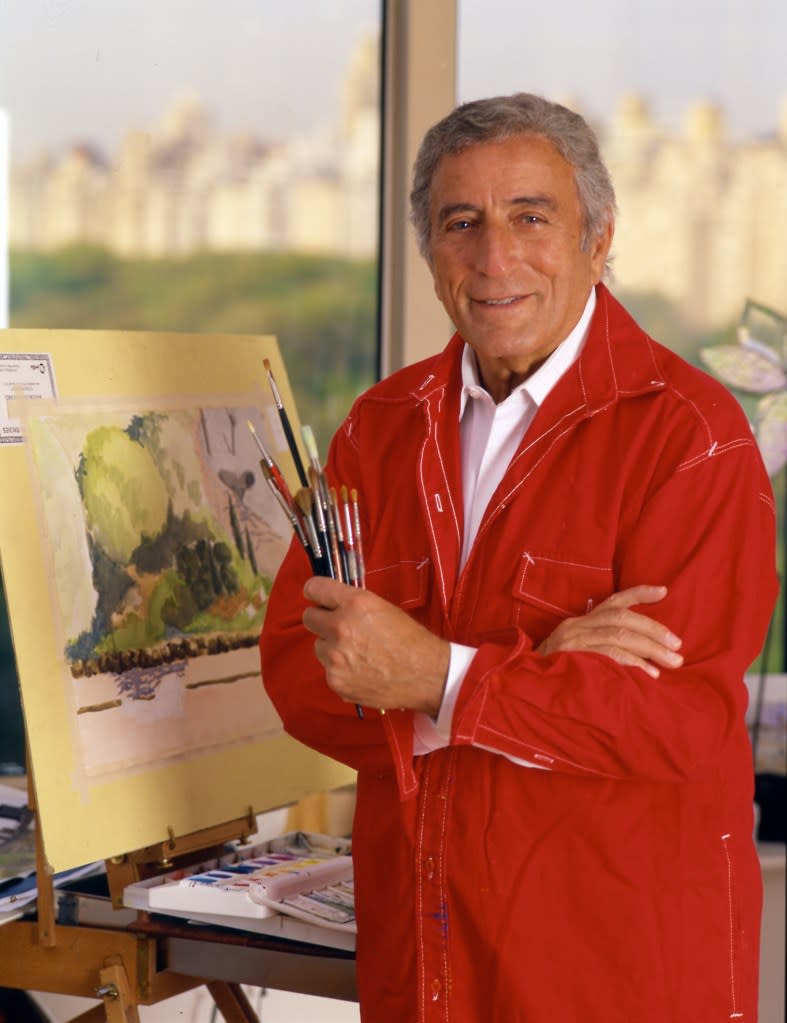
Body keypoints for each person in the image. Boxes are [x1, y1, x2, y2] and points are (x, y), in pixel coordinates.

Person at [260, 93, 778, 1022]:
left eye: (529, 217)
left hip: (615, 969)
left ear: (598, 235)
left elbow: (675, 720)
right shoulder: (377, 431)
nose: (494, 257)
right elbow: (298, 672)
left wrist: (433, 673)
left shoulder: (692, 435)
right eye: (461, 223)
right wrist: (537, 666)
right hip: (424, 958)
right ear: (428, 253)